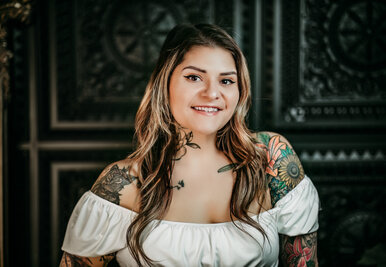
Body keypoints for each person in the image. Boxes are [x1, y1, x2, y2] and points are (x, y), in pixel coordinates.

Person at [60, 23, 319, 267]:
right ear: (165, 83)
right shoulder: (123, 183)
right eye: (194, 77)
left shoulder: (269, 158)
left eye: (226, 81)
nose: (212, 93)